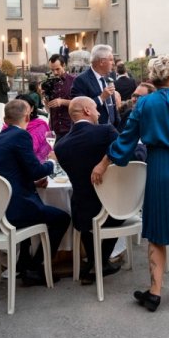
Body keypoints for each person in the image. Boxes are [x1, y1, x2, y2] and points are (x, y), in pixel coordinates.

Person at [91, 55, 169, 312]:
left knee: (158, 231)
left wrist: (104, 162)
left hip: (162, 168)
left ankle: (155, 292)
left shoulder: (144, 104)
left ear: (153, 78)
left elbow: (125, 142)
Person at [0, 100, 70, 284]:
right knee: (62, 218)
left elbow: (11, 171)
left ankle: (25, 263)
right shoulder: (21, 136)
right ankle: (34, 267)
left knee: (43, 211)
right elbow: (36, 170)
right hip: (16, 207)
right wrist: (52, 162)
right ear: (27, 116)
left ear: (5, 118)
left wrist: (32, 182)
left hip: (0, 205)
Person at [54, 97, 132, 284]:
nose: (99, 112)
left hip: (83, 214)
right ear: (87, 111)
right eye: (96, 109)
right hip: (114, 209)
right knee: (119, 210)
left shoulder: (60, 146)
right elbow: (128, 154)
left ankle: (95, 264)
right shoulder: (105, 132)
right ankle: (101, 263)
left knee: (87, 217)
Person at [71, 45, 121, 128]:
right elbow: (80, 109)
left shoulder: (108, 78)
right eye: (111, 60)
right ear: (101, 62)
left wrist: (119, 130)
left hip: (111, 132)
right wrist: (101, 98)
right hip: (94, 133)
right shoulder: (81, 80)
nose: (113, 63)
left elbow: (113, 109)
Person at [44, 54, 77, 138]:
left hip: (70, 128)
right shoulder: (49, 83)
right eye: (52, 70)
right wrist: (45, 99)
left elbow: (79, 103)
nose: (55, 73)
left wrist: (62, 102)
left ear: (64, 66)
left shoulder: (74, 81)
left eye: (57, 69)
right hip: (54, 128)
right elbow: (48, 109)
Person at [20, 95, 54, 162]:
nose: (21, 110)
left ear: (32, 109)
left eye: (25, 107)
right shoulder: (8, 126)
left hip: (36, 164)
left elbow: (32, 148)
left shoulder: (40, 126)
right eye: (17, 107)